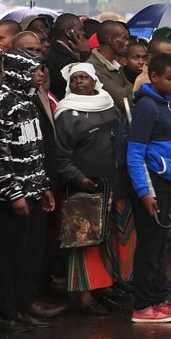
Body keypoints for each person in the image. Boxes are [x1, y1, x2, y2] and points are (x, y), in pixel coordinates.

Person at [0, 49, 57, 332]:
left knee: (26, 254)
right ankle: (3, 313)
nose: (40, 74)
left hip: (34, 190)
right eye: (35, 69)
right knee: (7, 257)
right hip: (10, 197)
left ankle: (21, 308)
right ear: (18, 71)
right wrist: (14, 194)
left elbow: (34, 149)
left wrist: (43, 187)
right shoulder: (2, 104)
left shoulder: (28, 101)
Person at [127, 54, 171, 323]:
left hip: (167, 186)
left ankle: (158, 300)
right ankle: (143, 306)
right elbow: (135, 153)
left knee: (161, 248)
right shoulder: (147, 107)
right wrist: (144, 192)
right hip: (151, 186)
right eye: (169, 78)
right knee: (149, 248)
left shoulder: (166, 105)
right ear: (153, 76)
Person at [55, 63, 122, 316]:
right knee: (84, 243)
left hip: (113, 186)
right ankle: (84, 297)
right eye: (75, 78)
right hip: (85, 188)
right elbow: (61, 156)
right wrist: (79, 178)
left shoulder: (108, 104)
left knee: (109, 241)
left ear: (95, 81)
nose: (79, 82)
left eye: (84, 77)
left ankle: (104, 287)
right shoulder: (65, 112)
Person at [89, 21, 133, 111]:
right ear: (112, 40)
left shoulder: (114, 64)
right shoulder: (94, 68)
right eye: (124, 38)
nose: (128, 43)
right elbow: (125, 101)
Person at [46, 14, 90, 99]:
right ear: (69, 32)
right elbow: (85, 79)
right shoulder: (57, 56)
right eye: (80, 29)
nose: (83, 33)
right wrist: (85, 52)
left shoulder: (67, 51)